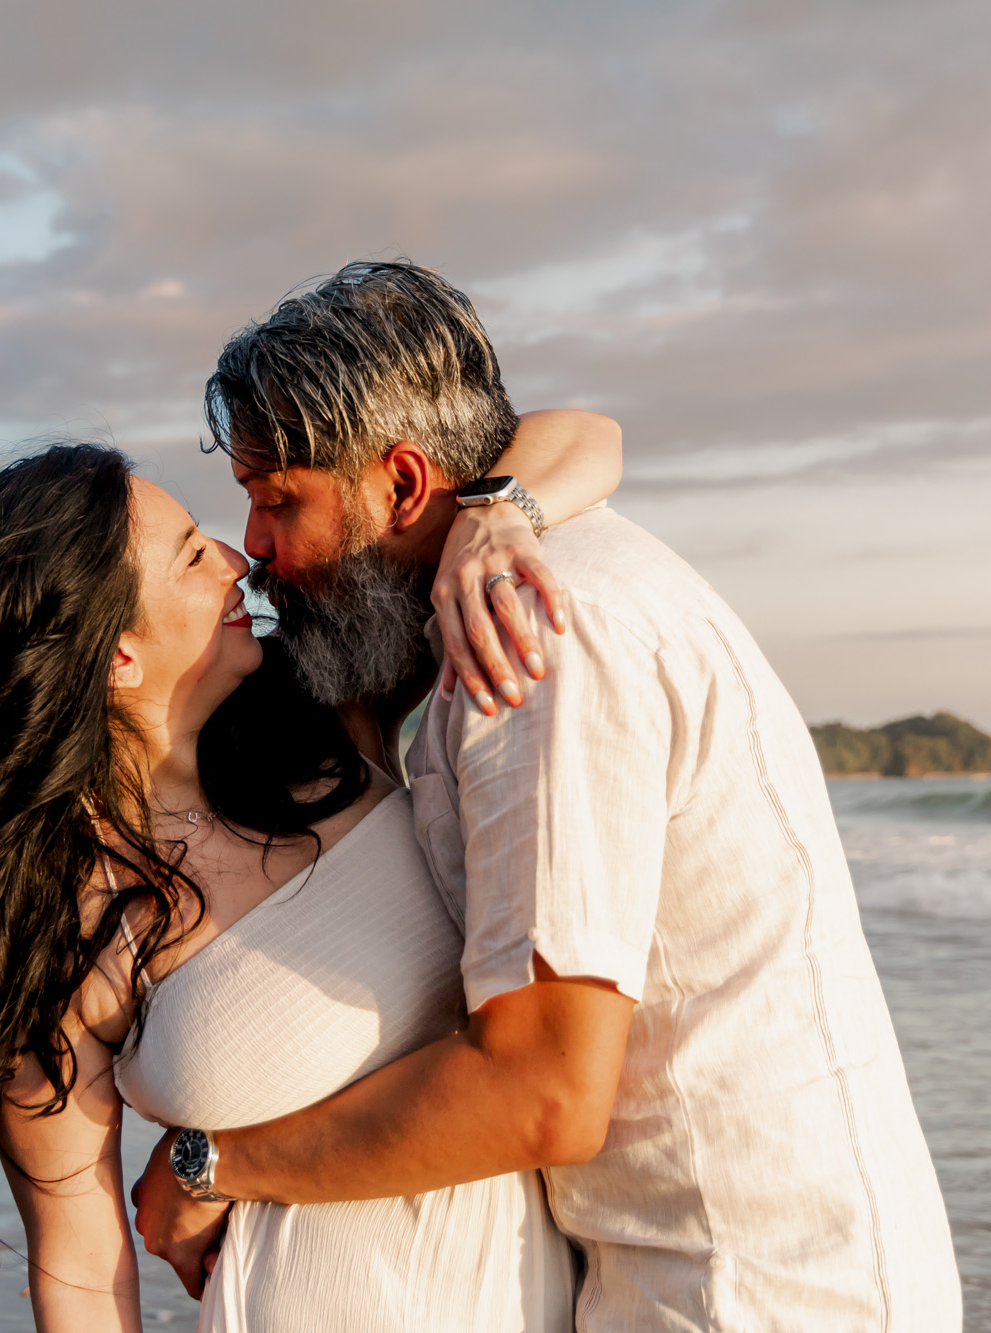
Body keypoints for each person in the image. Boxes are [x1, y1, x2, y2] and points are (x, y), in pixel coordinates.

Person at [130, 260, 963, 1331]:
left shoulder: (526, 645)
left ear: (402, 482)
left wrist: (213, 1161)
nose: (252, 549)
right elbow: (579, 433)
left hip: (738, 1292)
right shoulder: (535, 575)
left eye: (276, 501)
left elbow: (542, 1092)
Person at [0, 404, 624, 1330]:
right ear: (117, 654)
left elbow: (588, 432)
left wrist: (494, 514)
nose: (239, 560)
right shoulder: (58, 931)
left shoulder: (332, 715)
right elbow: (79, 1257)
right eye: (194, 555)